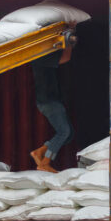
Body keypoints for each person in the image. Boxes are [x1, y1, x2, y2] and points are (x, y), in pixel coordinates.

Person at [30, 43, 74, 173]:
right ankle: (45, 162)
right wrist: (69, 41)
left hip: (51, 100)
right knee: (63, 132)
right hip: (49, 101)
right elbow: (66, 57)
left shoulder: (42, 56)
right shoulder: (40, 56)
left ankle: (39, 152)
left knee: (68, 134)